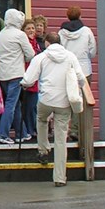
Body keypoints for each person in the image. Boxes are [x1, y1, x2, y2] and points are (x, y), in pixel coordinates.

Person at [23, 30, 86, 187]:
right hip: (64, 102)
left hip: (46, 98)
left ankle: (43, 149)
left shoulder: (41, 57)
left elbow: (29, 79)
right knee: (60, 139)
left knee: (41, 119)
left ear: (47, 43)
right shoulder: (70, 57)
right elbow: (81, 78)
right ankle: (60, 177)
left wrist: (24, 84)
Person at [0, 8, 34, 144]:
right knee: (11, 104)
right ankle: (3, 134)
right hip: (16, 74)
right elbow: (30, 54)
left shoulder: (2, 34)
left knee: (15, 104)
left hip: (2, 74)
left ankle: (22, 133)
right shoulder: (20, 35)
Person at [59, 6, 96, 143]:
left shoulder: (62, 32)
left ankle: (69, 129)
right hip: (84, 69)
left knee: (69, 99)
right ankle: (80, 130)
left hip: (68, 69)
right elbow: (92, 51)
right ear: (80, 15)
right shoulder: (86, 31)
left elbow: (60, 50)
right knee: (83, 100)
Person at [19, 17, 40, 142]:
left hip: (35, 77)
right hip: (26, 75)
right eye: (28, 28)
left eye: (33, 28)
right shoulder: (25, 42)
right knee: (27, 106)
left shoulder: (35, 42)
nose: (31, 30)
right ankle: (29, 130)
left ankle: (33, 129)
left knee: (33, 106)